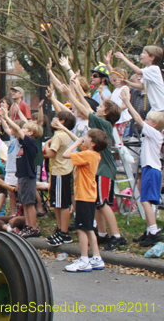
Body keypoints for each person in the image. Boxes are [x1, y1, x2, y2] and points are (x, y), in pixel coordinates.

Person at [64, 73, 126, 251]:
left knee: (103, 203)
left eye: (101, 106)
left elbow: (83, 108)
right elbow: (85, 104)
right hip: (99, 170)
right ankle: (102, 233)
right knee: (98, 203)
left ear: (105, 112)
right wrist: (75, 87)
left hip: (105, 170)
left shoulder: (104, 125)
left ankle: (117, 236)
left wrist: (72, 92)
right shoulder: (101, 123)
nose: (97, 107)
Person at [119, 88, 163, 246]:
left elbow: (138, 119)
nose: (146, 121)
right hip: (150, 169)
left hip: (151, 169)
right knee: (147, 202)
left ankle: (153, 231)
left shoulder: (154, 132)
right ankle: (150, 229)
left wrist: (126, 102)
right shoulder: (153, 133)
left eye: (149, 120)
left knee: (145, 201)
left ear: (154, 124)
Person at [63, 128, 109, 272]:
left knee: (81, 229)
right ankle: (96, 258)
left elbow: (65, 155)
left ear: (93, 143)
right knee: (89, 228)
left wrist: (75, 143)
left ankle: (84, 259)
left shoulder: (87, 154)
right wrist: (67, 131)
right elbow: (79, 140)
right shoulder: (93, 154)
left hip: (83, 195)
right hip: (89, 195)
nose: (83, 138)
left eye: (86, 137)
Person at [0, 106, 43, 238]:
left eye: (25, 129)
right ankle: (28, 226)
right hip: (22, 177)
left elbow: (17, 129)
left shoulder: (30, 143)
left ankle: (33, 228)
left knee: (29, 204)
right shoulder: (22, 144)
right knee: (24, 203)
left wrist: (6, 117)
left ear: (30, 133)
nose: (21, 130)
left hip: (28, 177)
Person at [45, 110, 76, 246]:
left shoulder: (58, 136)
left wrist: (45, 146)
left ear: (62, 122)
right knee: (57, 204)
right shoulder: (62, 134)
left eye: (56, 117)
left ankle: (64, 232)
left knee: (62, 204)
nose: (53, 119)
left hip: (60, 172)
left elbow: (50, 154)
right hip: (62, 171)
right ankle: (60, 228)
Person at [115, 47, 164, 113]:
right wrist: (127, 83)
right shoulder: (147, 69)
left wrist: (123, 58)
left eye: (144, 53)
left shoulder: (154, 69)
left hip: (161, 107)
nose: (141, 55)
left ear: (152, 58)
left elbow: (138, 71)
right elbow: (142, 86)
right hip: (156, 108)